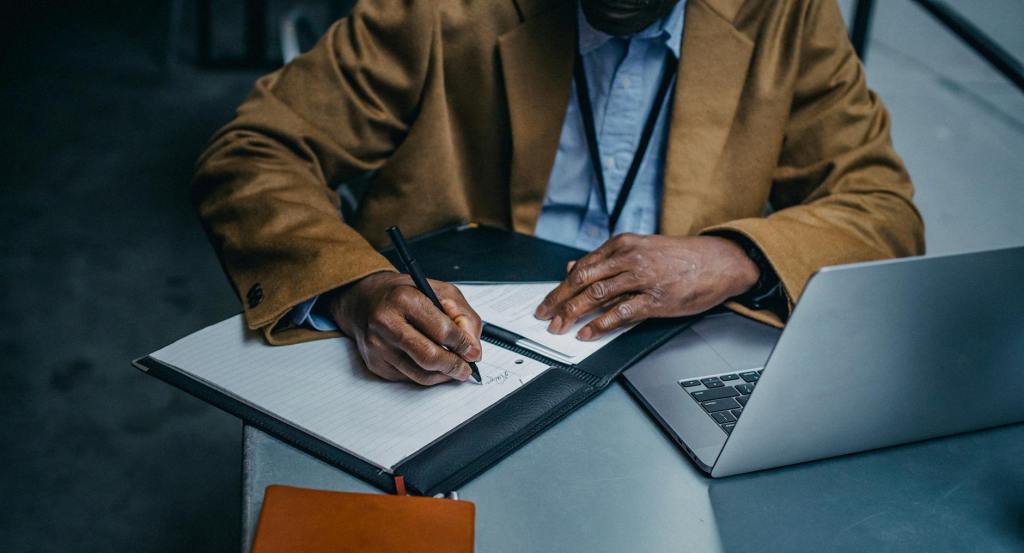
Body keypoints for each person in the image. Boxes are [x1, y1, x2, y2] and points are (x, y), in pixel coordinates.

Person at [192, 0, 923, 386]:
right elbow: (255, 152)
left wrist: (731, 257)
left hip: (674, 352)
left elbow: (884, 210)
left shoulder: (784, 12)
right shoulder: (439, 6)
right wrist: (356, 290)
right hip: (459, 357)